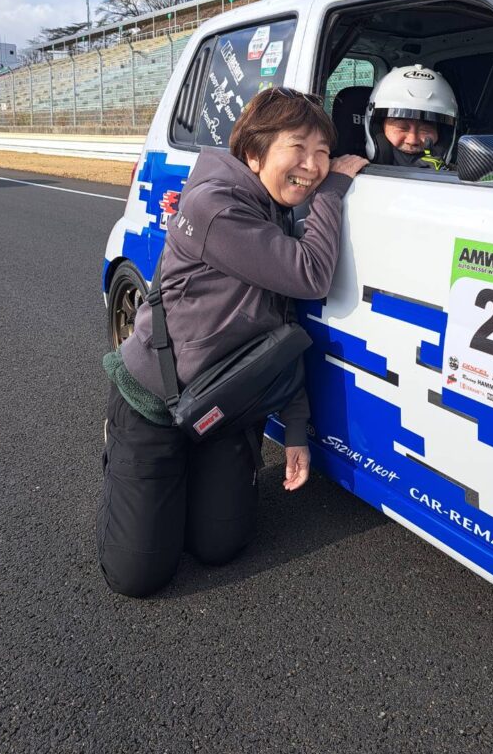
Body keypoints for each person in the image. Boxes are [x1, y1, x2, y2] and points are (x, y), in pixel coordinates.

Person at [97, 87, 368, 598]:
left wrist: (295, 429)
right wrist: (333, 191)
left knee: (220, 546)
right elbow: (309, 276)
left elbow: (281, 334)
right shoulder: (218, 207)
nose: (313, 166)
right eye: (298, 148)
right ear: (254, 153)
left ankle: (185, 479)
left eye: (324, 153)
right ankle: (127, 457)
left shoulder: (278, 209)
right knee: (139, 575)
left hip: (221, 404)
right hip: (155, 399)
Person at [364, 64, 458, 170]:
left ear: (443, 133)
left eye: (425, 130)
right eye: (402, 128)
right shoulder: (353, 172)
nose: (413, 140)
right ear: (379, 127)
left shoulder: (461, 177)